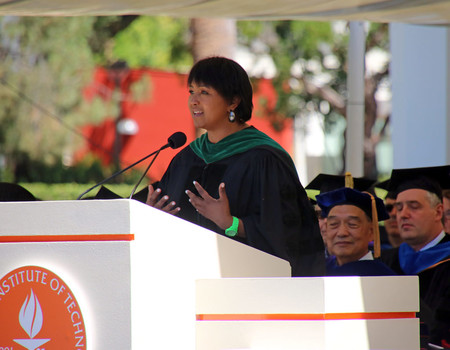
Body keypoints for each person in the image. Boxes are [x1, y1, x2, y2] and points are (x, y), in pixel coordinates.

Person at [145, 56, 325, 277]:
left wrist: (230, 224)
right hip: (186, 282)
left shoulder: (264, 160)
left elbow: (287, 236)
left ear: (233, 102)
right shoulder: (186, 158)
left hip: (245, 291)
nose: (193, 101)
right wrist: (152, 217)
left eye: (204, 92)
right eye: (191, 92)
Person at [380, 165, 450, 348]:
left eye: (414, 207)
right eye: (399, 207)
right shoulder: (386, 261)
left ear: (438, 211)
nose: (402, 215)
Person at [316, 187, 396, 276]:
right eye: (334, 224)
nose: (342, 233)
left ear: (371, 232)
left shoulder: (384, 278)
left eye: (352, 224)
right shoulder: (316, 272)